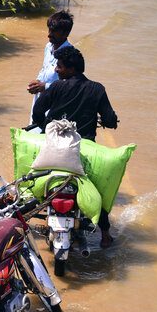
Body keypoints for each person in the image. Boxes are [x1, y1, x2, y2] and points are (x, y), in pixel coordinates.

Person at [31, 46, 119, 247]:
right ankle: (105, 235)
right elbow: (109, 118)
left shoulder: (56, 88)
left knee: (33, 177)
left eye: (60, 67)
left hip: (53, 147)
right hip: (84, 148)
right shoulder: (97, 89)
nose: (56, 70)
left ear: (71, 69)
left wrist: (46, 127)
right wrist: (111, 121)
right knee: (99, 186)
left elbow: (38, 111)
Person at [26, 10, 74, 117]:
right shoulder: (48, 47)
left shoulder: (70, 55)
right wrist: (37, 82)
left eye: (53, 31)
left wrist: (45, 86)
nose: (49, 34)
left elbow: (71, 86)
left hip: (56, 105)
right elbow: (44, 69)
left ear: (65, 33)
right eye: (49, 30)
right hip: (40, 100)